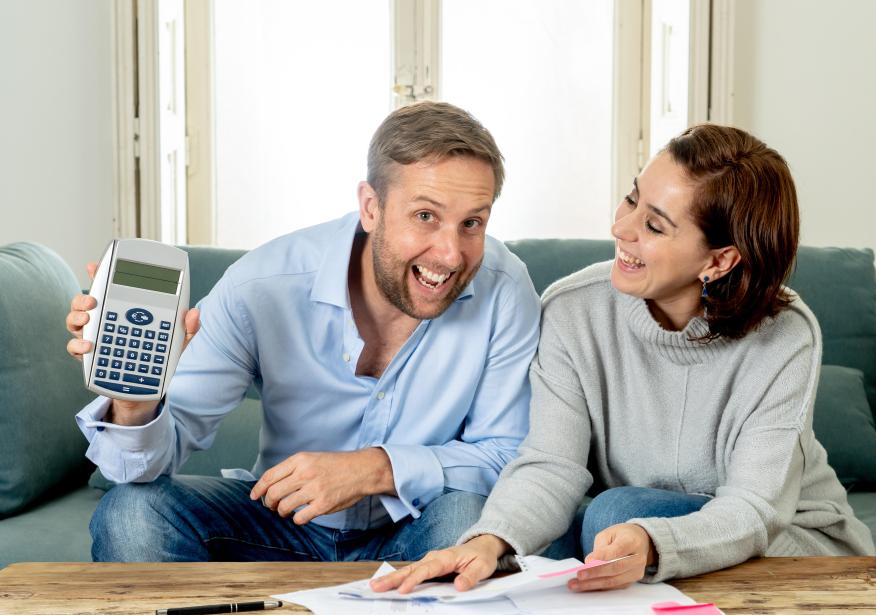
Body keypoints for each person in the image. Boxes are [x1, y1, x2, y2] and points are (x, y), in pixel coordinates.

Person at [372, 123, 876, 595]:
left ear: (718, 260)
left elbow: (755, 507)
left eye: (653, 226)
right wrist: (490, 542)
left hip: (786, 546)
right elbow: (551, 465)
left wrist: (653, 541)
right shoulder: (573, 309)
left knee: (616, 512)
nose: (620, 227)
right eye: (632, 198)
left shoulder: (784, 335)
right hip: (647, 545)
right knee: (551, 531)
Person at [65, 101, 541, 563]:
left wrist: (377, 469)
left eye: (472, 223)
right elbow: (138, 468)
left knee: (466, 515)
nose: (452, 255)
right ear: (371, 208)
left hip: (419, 526)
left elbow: (508, 456)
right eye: (425, 217)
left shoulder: (504, 288)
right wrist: (134, 403)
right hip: (278, 524)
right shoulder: (262, 285)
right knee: (132, 515)